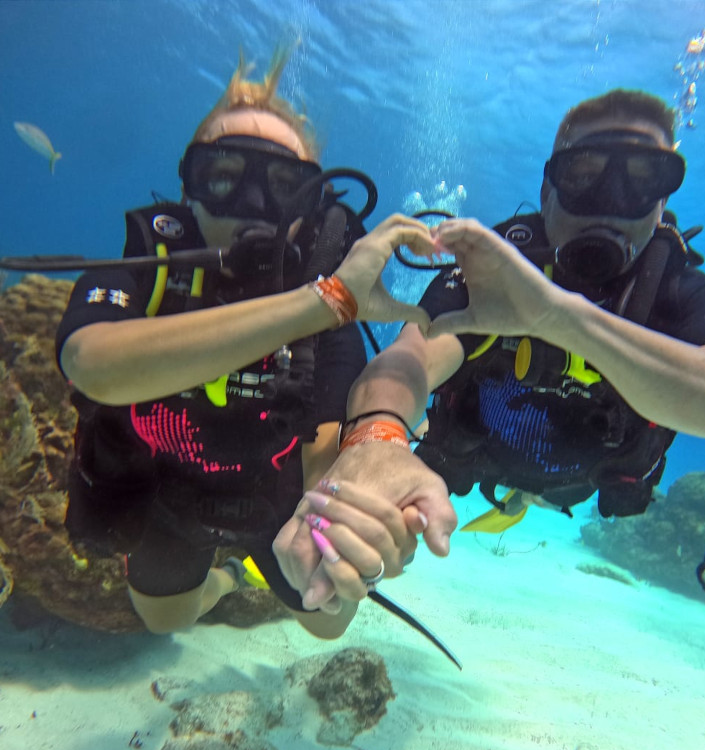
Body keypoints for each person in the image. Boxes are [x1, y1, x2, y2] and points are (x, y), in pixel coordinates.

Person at [274, 88, 705, 619]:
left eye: (644, 178)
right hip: (478, 455)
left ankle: (523, 502)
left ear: (663, 202)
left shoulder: (683, 292)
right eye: (584, 173)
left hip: (591, 478)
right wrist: (378, 435)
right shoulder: (492, 273)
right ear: (547, 188)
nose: (610, 200)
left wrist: (558, 317)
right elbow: (411, 356)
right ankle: (511, 500)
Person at [54, 48, 436, 637]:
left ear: (310, 206)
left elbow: (327, 444)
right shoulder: (150, 267)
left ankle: (242, 570)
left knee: (328, 623)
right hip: (165, 493)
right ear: (190, 186)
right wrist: (322, 302)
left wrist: (338, 523)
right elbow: (92, 364)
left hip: (273, 496)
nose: (253, 204)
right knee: (165, 621)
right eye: (225, 176)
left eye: (283, 184)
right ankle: (226, 580)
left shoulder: (325, 300)